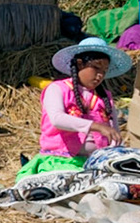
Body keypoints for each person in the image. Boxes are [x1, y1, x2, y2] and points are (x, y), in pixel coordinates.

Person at [20, 36, 131, 181]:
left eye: (104, 71)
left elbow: (113, 132)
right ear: (79, 64)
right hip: (62, 161)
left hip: (97, 162)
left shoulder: (104, 97)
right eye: (96, 68)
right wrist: (96, 127)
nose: (100, 75)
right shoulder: (57, 89)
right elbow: (57, 119)